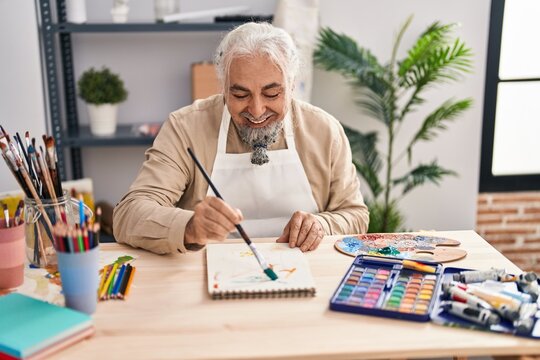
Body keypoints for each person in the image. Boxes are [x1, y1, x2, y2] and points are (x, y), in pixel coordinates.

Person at [113, 22, 369, 255]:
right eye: (240, 94)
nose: (256, 110)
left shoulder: (324, 130)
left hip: (305, 273)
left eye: (271, 93)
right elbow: (128, 215)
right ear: (223, 88)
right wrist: (189, 226)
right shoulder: (186, 128)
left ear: (291, 85)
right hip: (207, 276)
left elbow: (355, 214)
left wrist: (322, 224)